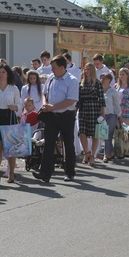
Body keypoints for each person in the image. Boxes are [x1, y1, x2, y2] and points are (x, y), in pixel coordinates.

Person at [36, 55, 79, 183]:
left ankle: (70, 172)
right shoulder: (51, 78)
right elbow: (45, 93)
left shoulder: (72, 80)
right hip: (51, 116)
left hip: (66, 115)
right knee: (49, 143)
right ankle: (45, 173)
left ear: (62, 67)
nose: (52, 70)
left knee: (68, 144)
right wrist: (45, 103)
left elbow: (71, 100)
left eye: (54, 68)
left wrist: (53, 107)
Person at [77, 63, 105, 165]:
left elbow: (102, 100)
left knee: (95, 134)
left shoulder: (97, 83)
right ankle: (87, 153)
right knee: (82, 133)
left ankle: (92, 155)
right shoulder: (81, 83)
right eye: (85, 69)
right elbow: (78, 100)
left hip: (94, 109)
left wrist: (103, 114)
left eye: (88, 69)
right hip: (83, 109)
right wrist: (74, 112)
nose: (86, 71)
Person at [101, 73, 122, 162]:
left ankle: (106, 154)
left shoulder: (113, 91)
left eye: (104, 78)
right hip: (102, 116)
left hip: (111, 115)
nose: (102, 80)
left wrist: (119, 116)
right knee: (103, 135)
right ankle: (110, 152)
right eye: (101, 78)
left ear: (109, 80)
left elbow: (117, 105)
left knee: (108, 135)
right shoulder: (99, 91)